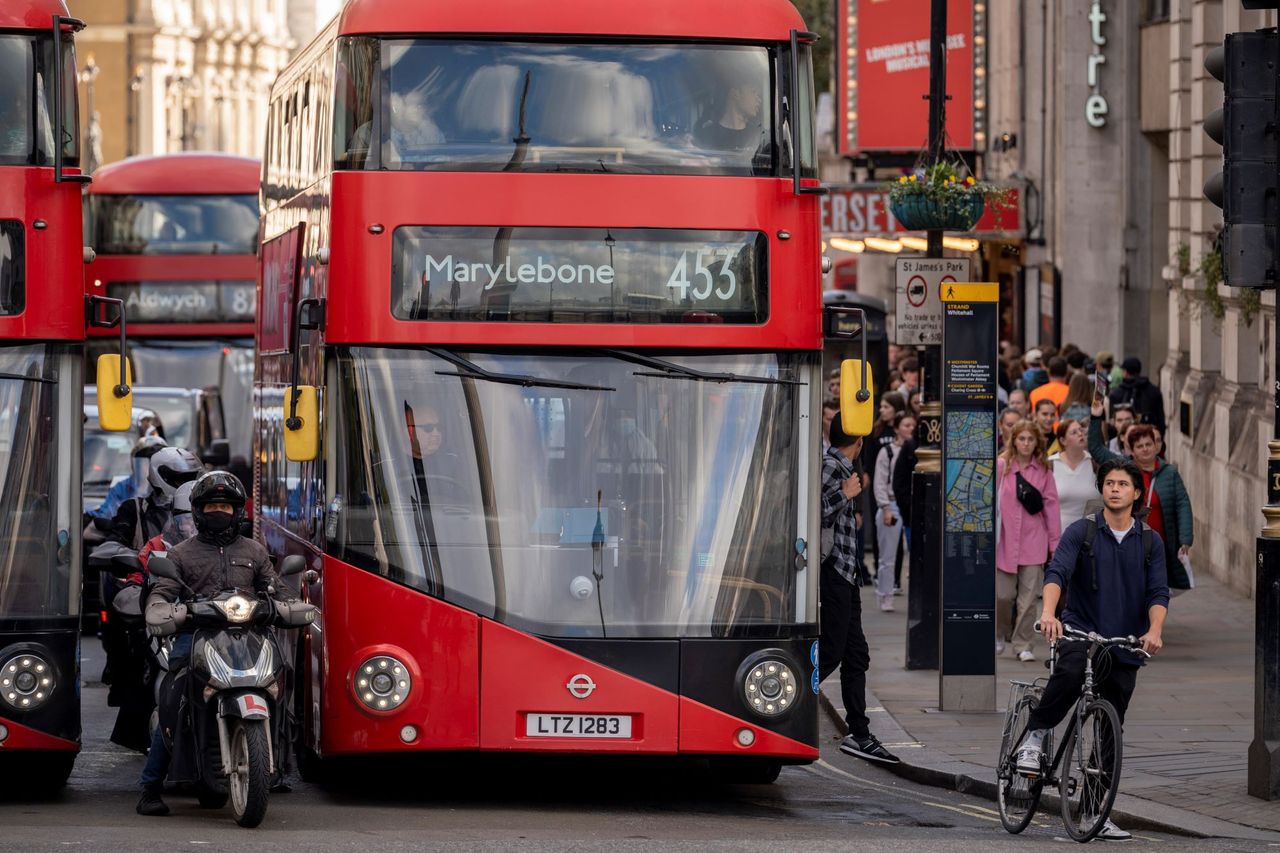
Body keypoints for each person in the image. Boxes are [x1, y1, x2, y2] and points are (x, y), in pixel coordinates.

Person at [1015, 458, 1169, 842]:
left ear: (1136, 493)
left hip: (1124, 644)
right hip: (1081, 632)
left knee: (1110, 729)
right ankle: (1035, 734)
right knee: (1067, 676)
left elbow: (1157, 593)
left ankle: (1096, 814)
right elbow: (1057, 573)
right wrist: (1049, 614)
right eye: (1109, 483)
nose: (1114, 489)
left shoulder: (1150, 542)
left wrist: (1154, 630)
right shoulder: (1081, 532)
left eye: (1123, 484)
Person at [137, 472, 281, 817]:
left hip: (248, 636)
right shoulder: (183, 554)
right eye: (212, 506)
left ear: (238, 511)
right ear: (199, 511)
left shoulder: (254, 550)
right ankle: (150, 787)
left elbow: (276, 587)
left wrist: (289, 604)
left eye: (226, 506)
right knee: (175, 697)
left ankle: (275, 766)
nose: (220, 512)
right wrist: (160, 609)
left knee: (278, 679)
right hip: (196, 636)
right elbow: (163, 592)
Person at [819, 415, 899, 765]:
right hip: (833, 571)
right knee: (832, 653)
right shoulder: (832, 467)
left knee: (856, 655)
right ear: (860, 441)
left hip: (847, 574)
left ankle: (860, 733)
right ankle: (781, 702)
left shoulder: (841, 466)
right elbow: (808, 514)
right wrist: (844, 495)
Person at [1088, 406, 1194, 590]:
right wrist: (1096, 417)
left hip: (1160, 543)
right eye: (1139, 446)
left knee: (1156, 589)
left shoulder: (1169, 473)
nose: (1145, 449)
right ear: (1132, 450)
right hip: (1129, 542)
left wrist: (1186, 538)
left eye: (1148, 444)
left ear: (1156, 446)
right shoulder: (1124, 468)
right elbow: (1096, 449)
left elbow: (1182, 504)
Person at [996, 421, 1060, 661]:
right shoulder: (1002, 467)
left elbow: (1051, 509)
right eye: (1021, 438)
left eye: (1030, 439)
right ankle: (999, 633)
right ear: (1013, 441)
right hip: (1005, 540)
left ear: (1036, 442)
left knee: (1029, 599)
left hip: (1034, 541)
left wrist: (1055, 544)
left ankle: (1023, 644)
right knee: (1002, 595)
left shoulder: (1043, 471)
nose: (1025, 443)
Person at [872, 412, 916, 612]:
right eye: (906, 425)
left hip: (909, 503)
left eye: (913, 425)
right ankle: (885, 594)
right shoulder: (887, 452)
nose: (910, 429)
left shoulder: (916, 450)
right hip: (891, 503)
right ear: (897, 428)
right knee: (887, 555)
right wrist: (885, 506)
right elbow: (879, 482)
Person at [90, 435, 167, 521]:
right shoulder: (121, 489)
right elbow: (105, 516)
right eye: (146, 461)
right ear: (136, 464)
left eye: (155, 462)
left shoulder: (169, 488)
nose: (151, 467)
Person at [1049, 420, 1101, 529]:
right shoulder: (1050, 464)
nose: (1080, 434)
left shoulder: (1095, 462)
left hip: (1090, 535)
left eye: (1081, 430)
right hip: (1059, 535)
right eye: (1074, 432)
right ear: (1063, 440)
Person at [697, 79, 766, 152]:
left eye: (759, 95)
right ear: (735, 94)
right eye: (754, 92)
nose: (759, 100)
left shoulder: (759, 136)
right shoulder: (705, 135)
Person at [1109, 357, 1166, 429]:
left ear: (1125, 372)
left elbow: (1112, 423)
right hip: (1149, 435)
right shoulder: (1154, 391)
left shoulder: (1116, 394)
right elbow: (1160, 421)